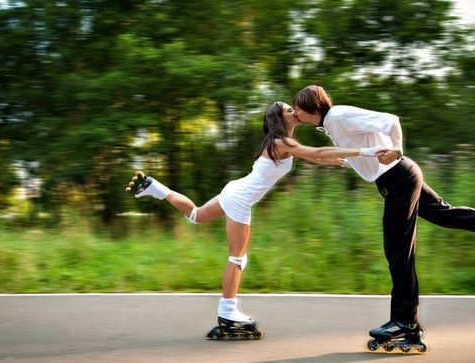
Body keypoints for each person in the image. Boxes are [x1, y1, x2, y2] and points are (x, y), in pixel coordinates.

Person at [292, 85, 475, 353]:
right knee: (446, 215)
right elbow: (360, 154)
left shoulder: (338, 115)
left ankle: (404, 322)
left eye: (297, 107)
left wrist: (396, 150)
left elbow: (390, 121)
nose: (295, 112)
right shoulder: (331, 124)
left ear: (310, 106)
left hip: (398, 178)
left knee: (398, 251)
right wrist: (324, 157)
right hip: (401, 177)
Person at [126, 101, 385, 340]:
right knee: (237, 258)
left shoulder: (279, 143)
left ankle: (154, 187)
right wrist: (367, 151)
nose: (293, 111)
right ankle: (228, 312)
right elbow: (316, 153)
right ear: (279, 118)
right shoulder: (280, 142)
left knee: (195, 215)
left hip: (235, 190)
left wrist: (336, 161)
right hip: (239, 199)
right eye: (287, 109)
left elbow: (313, 156)